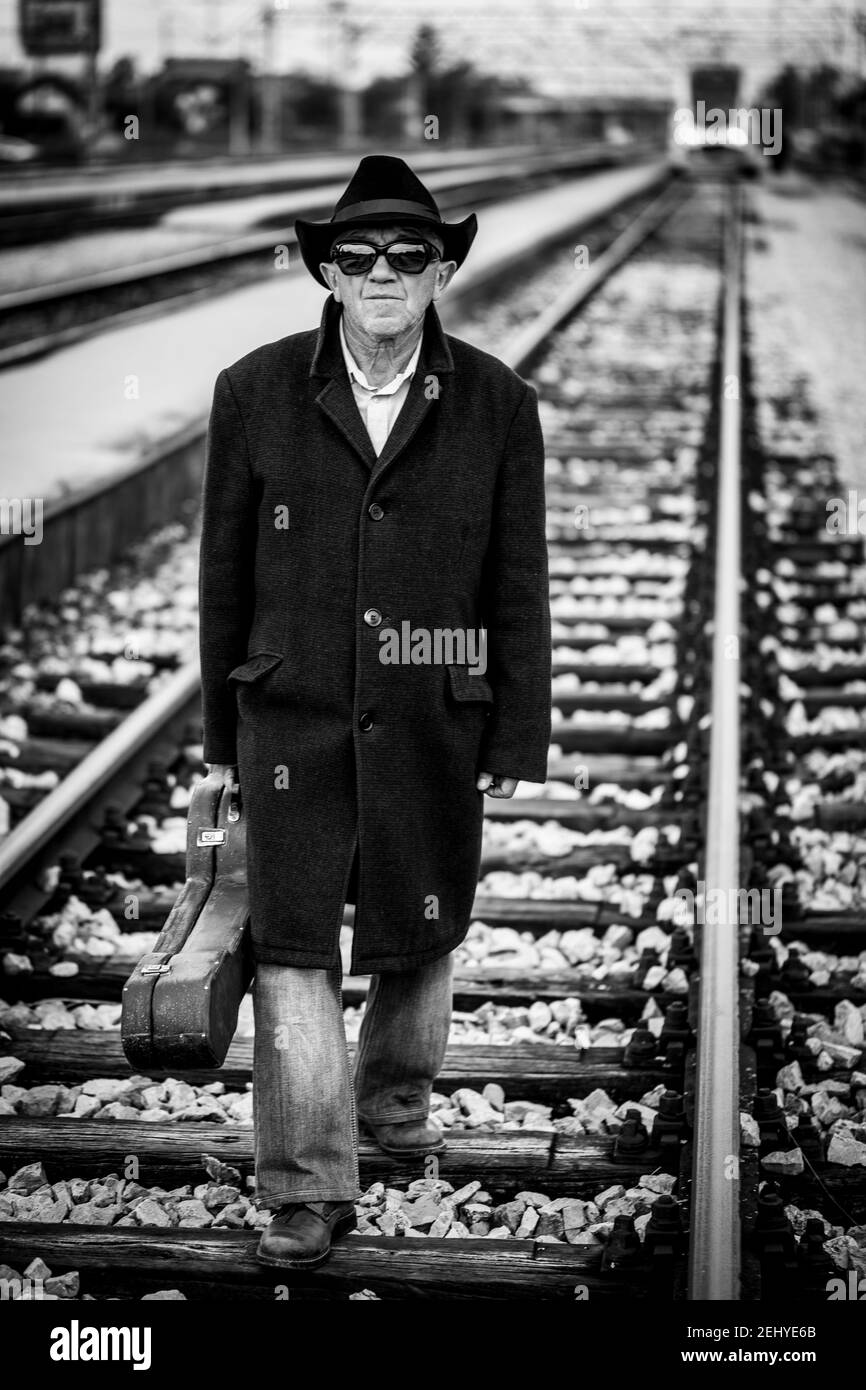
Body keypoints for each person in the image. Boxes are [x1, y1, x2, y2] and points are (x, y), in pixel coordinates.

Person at [198, 155, 551, 1268]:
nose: (382, 273)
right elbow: (220, 577)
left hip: (432, 707)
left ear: (441, 271)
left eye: (408, 255)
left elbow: (516, 579)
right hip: (290, 715)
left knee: (422, 926)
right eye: (358, 257)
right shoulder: (253, 391)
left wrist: (515, 730)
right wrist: (220, 741)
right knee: (293, 948)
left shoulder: (498, 402)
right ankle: (305, 1183)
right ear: (329, 275)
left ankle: (393, 1100)